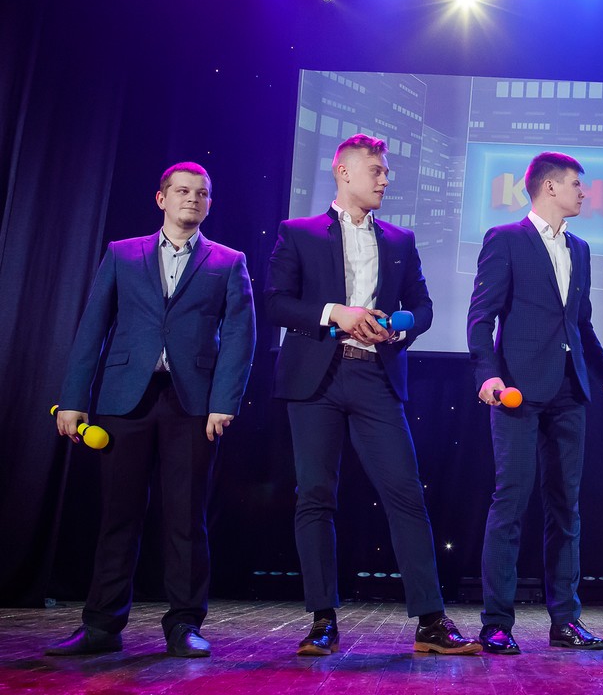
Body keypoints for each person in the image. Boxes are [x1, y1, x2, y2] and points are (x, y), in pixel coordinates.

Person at [266, 134, 479, 657]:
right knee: (316, 495)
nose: (385, 179)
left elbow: (423, 307)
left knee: (405, 492)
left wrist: (398, 326)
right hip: (316, 376)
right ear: (343, 172)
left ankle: (431, 621)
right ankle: (322, 619)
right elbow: (275, 302)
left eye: (386, 171)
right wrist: (335, 313)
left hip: (376, 377)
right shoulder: (298, 233)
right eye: (376, 170)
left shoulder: (400, 240)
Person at [46, 162, 255, 658]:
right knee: (118, 517)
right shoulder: (122, 253)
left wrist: (223, 403)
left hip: (192, 404)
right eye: (182, 191)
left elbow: (240, 338)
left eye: (201, 193)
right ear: (161, 198)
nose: (192, 198)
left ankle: (184, 624)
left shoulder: (229, 261)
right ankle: (101, 625)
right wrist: (73, 398)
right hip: (125, 400)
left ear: (209, 203)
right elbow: (93, 326)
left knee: (186, 518)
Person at [467, 151, 603, 654]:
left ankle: (565, 620)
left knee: (566, 506)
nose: (584, 193)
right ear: (548, 187)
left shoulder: (580, 248)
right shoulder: (505, 239)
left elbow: (580, 324)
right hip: (517, 391)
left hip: (569, 392)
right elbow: (481, 317)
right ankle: (496, 622)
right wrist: (487, 375)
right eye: (576, 185)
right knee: (510, 502)